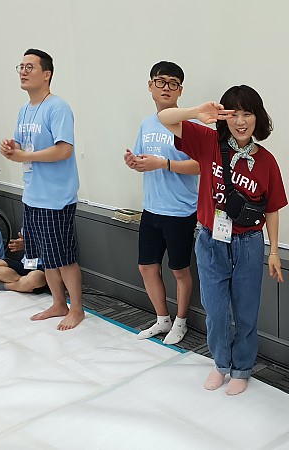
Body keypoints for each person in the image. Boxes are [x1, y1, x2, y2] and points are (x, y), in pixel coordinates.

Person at [159, 85, 287, 395]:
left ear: (258, 118)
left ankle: (241, 368)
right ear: (223, 117)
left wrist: (274, 251)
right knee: (215, 312)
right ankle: (220, 364)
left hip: (249, 243)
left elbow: (272, 209)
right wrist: (196, 112)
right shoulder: (208, 143)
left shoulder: (267, 161)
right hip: (210, 240)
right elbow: (165, 117)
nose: (241, 121)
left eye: (248, 114)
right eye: (233, 114)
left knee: (245, 313)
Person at [0, 48, 84, 331]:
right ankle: (58, 303)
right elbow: (24, 147)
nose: (23, 72)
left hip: (56, 197)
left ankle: (76, 308)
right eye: (21, 67)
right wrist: (12, 148)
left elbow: (63, 150)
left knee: (64, 257)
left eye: (30, 67)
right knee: (46, 257)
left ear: (46, 74)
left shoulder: (58, 107)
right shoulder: (24, 110)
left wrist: (25, 156)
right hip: (32, 194)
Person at [124, 61, 199, 345]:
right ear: (150, 86)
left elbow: (201, 166)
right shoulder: (146, 123)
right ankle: (162, 319)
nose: (166, 87)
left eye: (173, 83)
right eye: (160, 81)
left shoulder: (188, 125)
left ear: (180, 90)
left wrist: (164, 163)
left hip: (180, 210)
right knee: (146, 267)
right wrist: (134, 162)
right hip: (151, 208)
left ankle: (181, 322)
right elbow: (143, 159)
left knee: (179, 270)